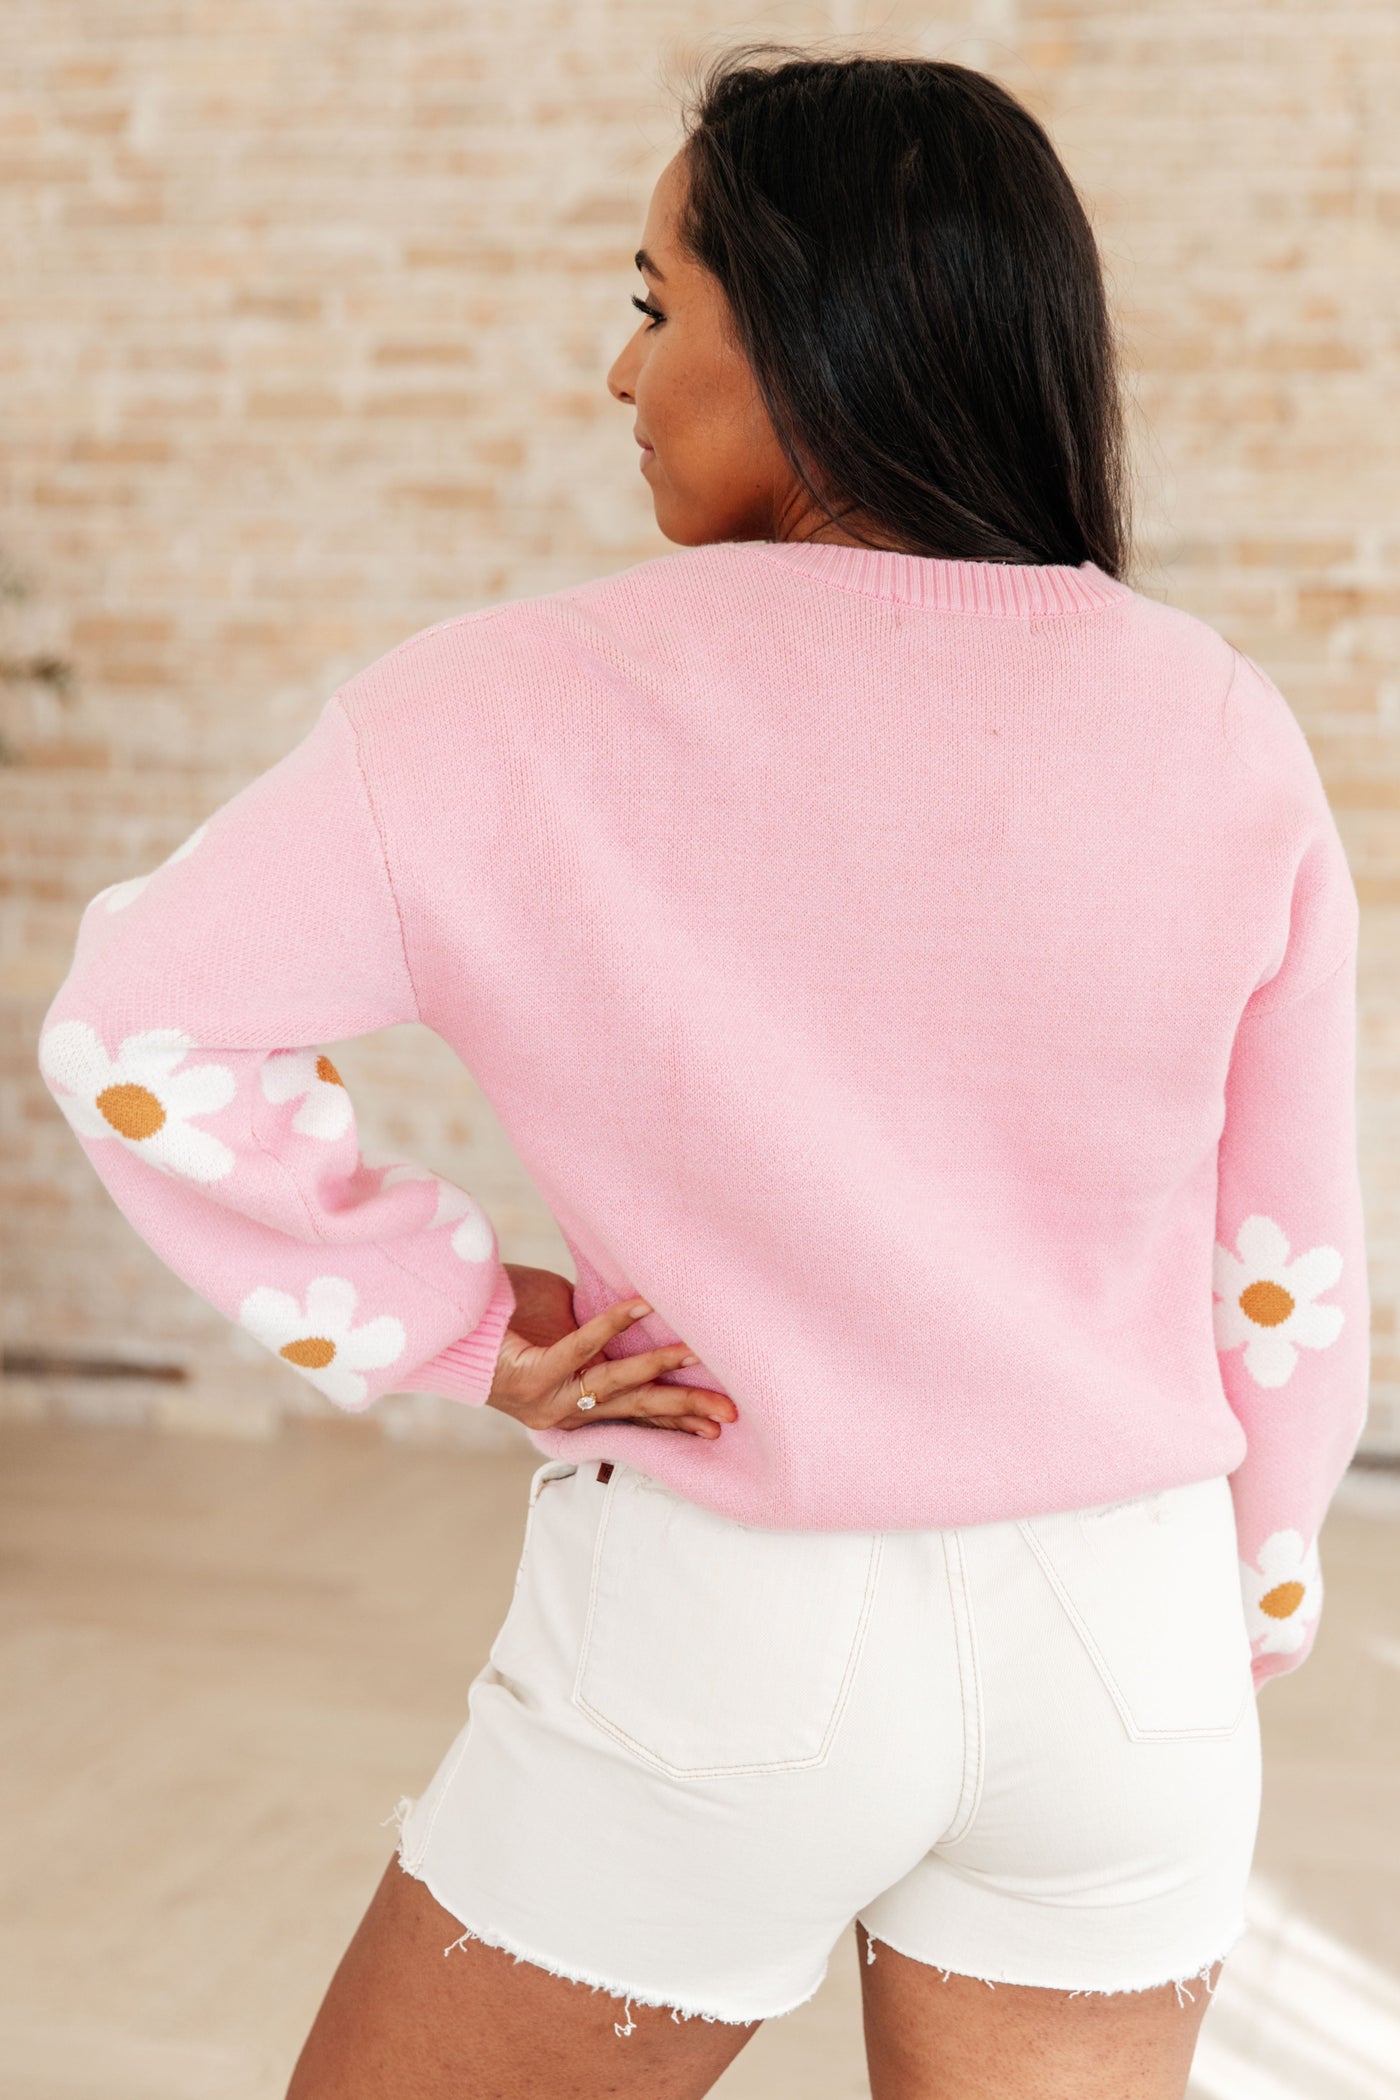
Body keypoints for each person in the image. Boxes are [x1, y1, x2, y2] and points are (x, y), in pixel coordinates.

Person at [38, 49, 1367, 2100]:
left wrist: (448, 1318)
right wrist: (1241, 1608)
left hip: (729, 1628)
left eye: (656, 306)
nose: (618, 371)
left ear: (821, 338)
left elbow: (136, 1033)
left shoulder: (507, 703)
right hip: (1134, 1651)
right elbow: (1284, 1260)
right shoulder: (1215, 718)